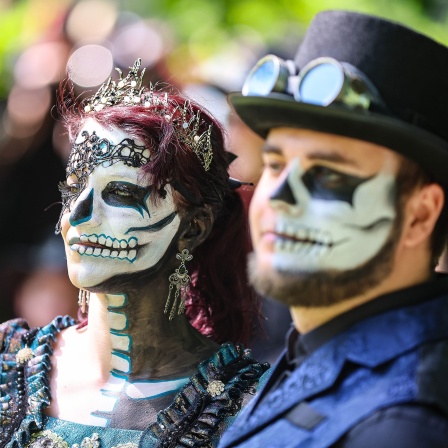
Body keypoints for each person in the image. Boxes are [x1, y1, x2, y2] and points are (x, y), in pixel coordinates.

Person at [0, 59, 269, 447]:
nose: (78, 217)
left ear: (193, 227)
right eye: (73, 188)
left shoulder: (250, 406)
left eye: (121, 194)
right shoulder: (10, 369)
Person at [219, 10, 448, 448]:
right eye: (275, 164)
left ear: (420, 215)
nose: (281, 195)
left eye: (330, 175)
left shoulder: (402, 428)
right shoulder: (313, 348)